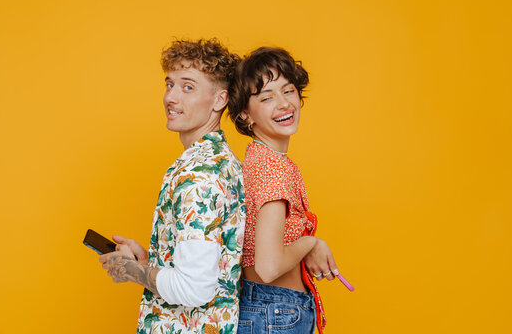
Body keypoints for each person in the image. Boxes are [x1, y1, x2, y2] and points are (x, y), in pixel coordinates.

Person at [99, 38, 246, 334]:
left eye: (188, 87)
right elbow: (208, 266)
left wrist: (133, 271)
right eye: (170, 85)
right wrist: (151, 259)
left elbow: (194, 289)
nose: (171, 97)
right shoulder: (219, 160)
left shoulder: (199, 175)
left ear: (220, 100)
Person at [228, 47, 338, 334]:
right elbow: (268, 266)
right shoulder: (272, 170)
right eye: (266, 97)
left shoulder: (258, 158)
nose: (283, 104)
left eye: (288, 91)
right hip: (275, 313)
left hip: (267, 309)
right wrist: (311, 244)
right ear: (244, 116)